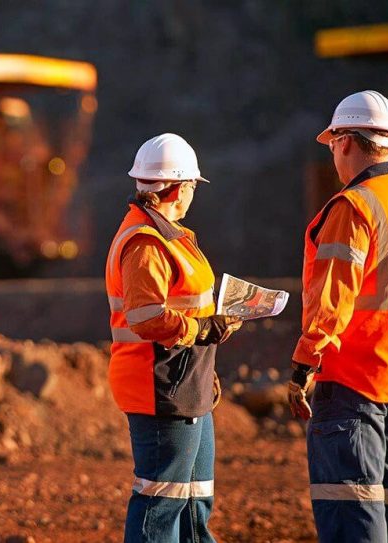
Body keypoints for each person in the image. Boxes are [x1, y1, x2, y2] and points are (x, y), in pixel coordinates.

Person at [288, 90, 388, 542]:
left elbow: (332, 300)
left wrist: (305, 362)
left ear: (344, 142)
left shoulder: (353, 207)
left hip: (353, 381)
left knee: (351, 505)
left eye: (333, 146)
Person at [105, 133, 243, 542]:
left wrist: (215, 322)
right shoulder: (145, 242)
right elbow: (147, 316)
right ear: (182, 188)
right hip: (161, 387)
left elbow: (180, 305)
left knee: (194, 501)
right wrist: (202, 329)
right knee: (160, 504)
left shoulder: (167, 235)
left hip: (187, 382)